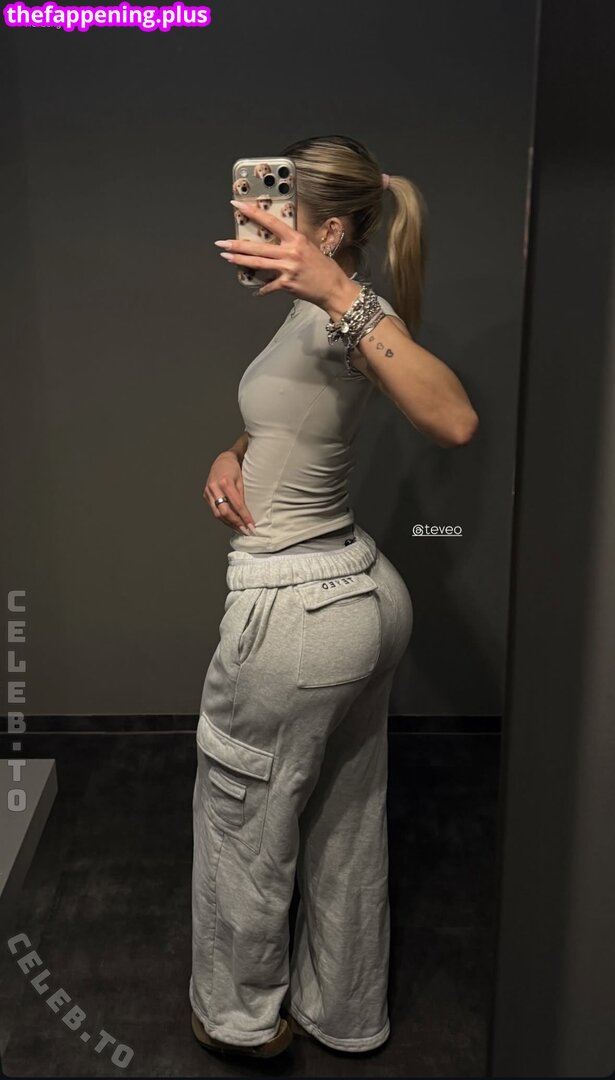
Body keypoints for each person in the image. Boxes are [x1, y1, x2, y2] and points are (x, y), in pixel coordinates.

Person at [189, 134, 479, 1060]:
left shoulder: (350, 310)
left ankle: (236, 1020)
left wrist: (336, 291)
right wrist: (233, 451)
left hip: (294, 617)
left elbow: (453, 419)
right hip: (351, 595)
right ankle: (344, 1016)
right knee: (345, 826)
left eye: (275, 211)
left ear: (331, 230)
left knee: (240, 824)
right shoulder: (308, 314)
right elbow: (298, 416)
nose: (253, 224)